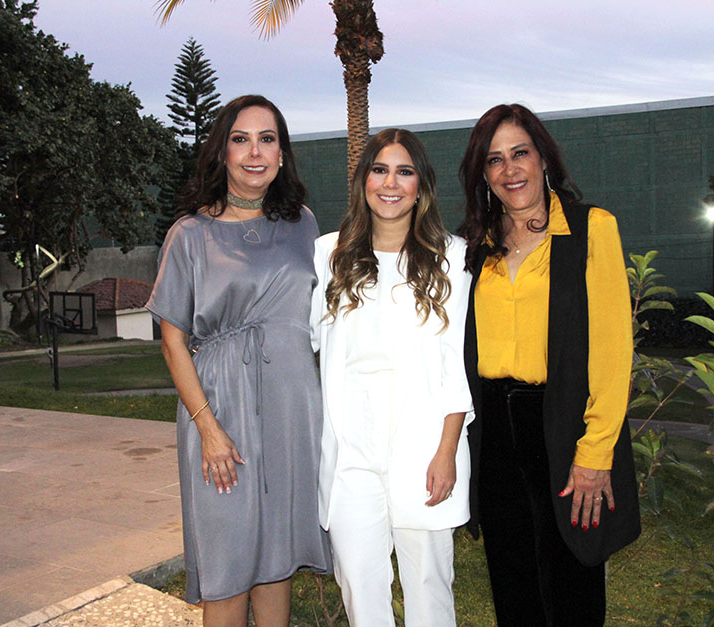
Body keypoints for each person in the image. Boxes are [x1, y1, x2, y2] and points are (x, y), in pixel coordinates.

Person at [146, 94, 331, 627]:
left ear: (281, 153)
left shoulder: (304, 225)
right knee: (228, 563)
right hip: (220, 410)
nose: (255, 152)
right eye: (241, 138)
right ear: (221, 152)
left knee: (276, 561)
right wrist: (208, 428)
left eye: (267, 139)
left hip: (291, 407)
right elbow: (172, 340)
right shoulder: (190, 234)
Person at [458, 104, 641, 625]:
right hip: (493, 430)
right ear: (484, 175)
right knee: (512, 583)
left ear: (543, 159)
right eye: (495, 160)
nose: (510, 169)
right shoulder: (476, 246)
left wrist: (595, 450)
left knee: (571, 584)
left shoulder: (589, 229)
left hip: (561, 425)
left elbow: (611, 347)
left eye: (520, 153)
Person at [310, 128, 474, 626]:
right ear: (363, 182)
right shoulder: (329, 255)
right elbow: (311, 343)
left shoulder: (453, 258)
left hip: (424, 449)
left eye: (405, 172)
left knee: (428, 587)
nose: (391, 183)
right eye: (380, 170)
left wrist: (446, 450)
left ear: (421, 186)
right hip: (350, 456)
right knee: (361, 589)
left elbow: (455, 363)